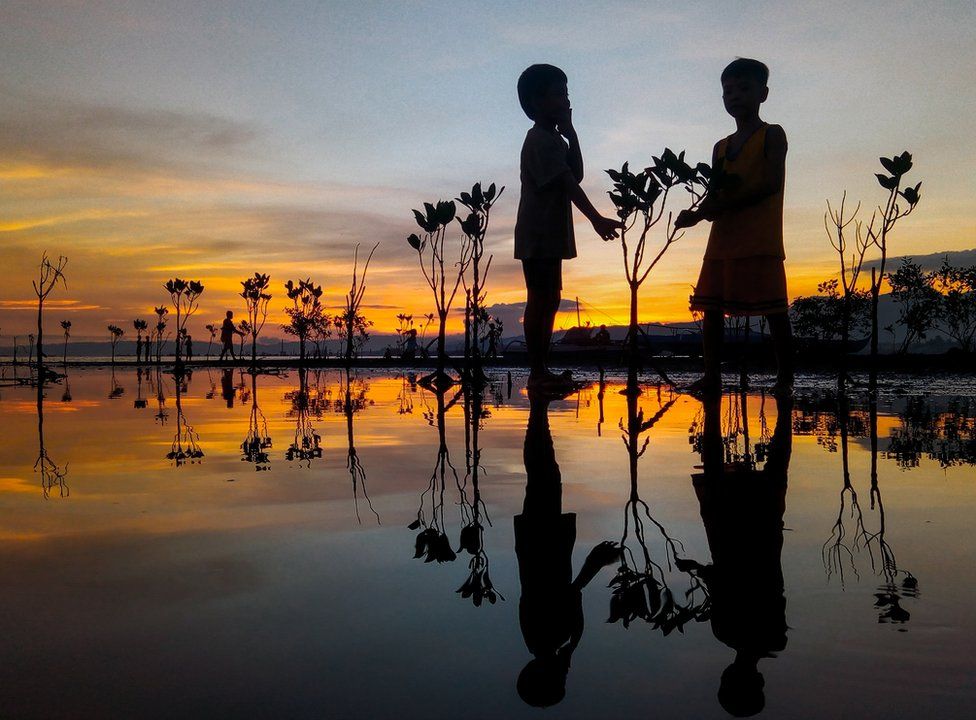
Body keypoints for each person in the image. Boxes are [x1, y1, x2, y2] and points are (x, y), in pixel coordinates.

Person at [675, 58, 794, 397]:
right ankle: (711, 377)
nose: (735, 96)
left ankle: (785, 380)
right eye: (728, 91)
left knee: (774, 312)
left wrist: (717, 206)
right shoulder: (721, 148)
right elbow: (715, 194)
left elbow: (770, 183)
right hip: (723, 240)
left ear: (763, 94)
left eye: (744, 88)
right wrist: (696, 215)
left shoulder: (772, 135)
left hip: (760, 238)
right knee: (711, 310)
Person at [515, 64, 623, 390]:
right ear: (536, 101)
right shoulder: (539, 141)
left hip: (549, 232)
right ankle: (537, 372)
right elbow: (568, 185)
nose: (565, 100)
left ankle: (541, 370)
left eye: (566, 93)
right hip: (538, 233)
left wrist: (571, 132)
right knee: (541, 298)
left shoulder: (554, 140)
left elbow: (575, 173)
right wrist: (596, 219)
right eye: (559, 93)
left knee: (549, 298)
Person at [684, 391, 792, 717]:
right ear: (727, 676)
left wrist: (700, 570)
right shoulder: (724, 632)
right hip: (730, 541)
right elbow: (723, 583)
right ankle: (714, 402)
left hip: (764, 546)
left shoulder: (775, 639)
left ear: (758, 681)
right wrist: (698, 570)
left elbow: (735, 587)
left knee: (776, 469)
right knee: (717, 473)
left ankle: (784, 406)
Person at [515, 389, 619, 707]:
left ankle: (538, 412)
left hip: (542, 545)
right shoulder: (544, 640)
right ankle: (539, 414)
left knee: (544, 476)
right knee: (543, 476)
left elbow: (571, 593)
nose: (564, 676)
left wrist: (595, 562)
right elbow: (571, 594)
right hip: (539, 544)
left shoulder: (549, 638)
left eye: (559, 680)